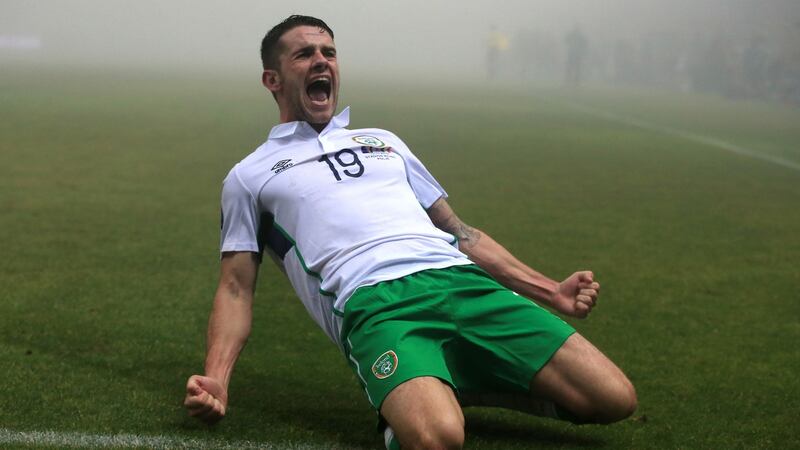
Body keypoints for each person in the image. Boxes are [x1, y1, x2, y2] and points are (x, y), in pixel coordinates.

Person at [184, 15, 637, 449]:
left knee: (615, 398)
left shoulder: (385, 141)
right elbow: (235, 288)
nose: (321, 60)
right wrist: (217, 379)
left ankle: (445, 386)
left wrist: (550, 290)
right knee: (439, 439)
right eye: (304, 54)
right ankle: (414, 407)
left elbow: (460, 232)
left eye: (329, 52)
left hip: (463, 283)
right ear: (273, 79)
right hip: (378, 306)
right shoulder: (249, 176)